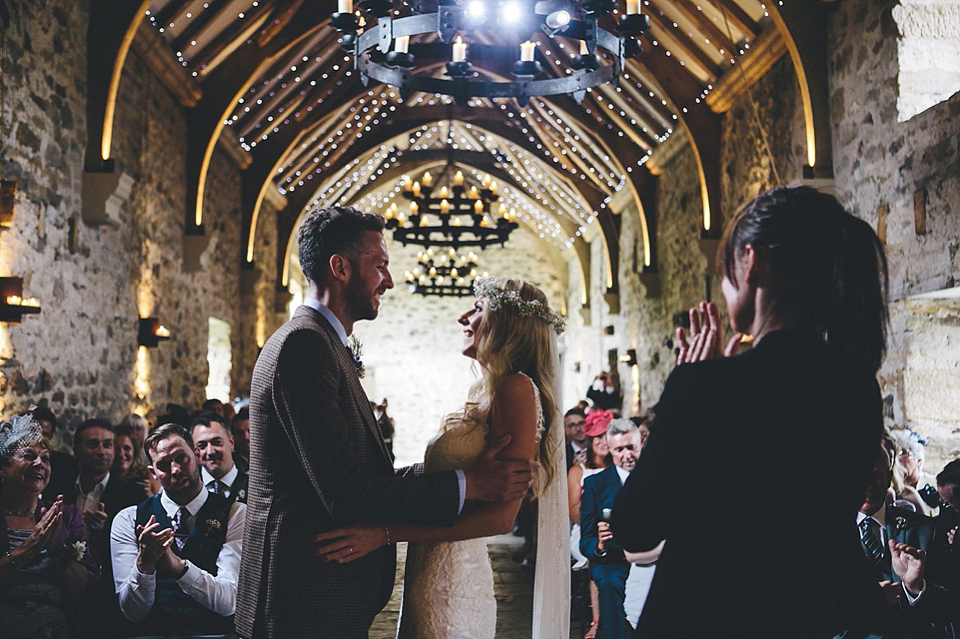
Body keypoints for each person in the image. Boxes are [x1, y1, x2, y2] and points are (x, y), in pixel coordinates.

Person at [235, 207, 538, 639]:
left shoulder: (324, 344)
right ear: (339, 267)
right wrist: (469, 484)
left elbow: (361, 473)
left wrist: (458, 477)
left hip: (320, 595)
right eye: (380, 266)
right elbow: (346, 491)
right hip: (303, 601)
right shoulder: (305, 345)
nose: (389, 281)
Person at [612, 186, 890, 638]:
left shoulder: (705, 387)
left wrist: (685, 391)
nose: (724, 288)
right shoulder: (856, 389)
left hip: (701, 621)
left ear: (751, 261)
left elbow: (634, 525)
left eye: (724, 273)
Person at [315, 276, 569, 639]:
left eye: (478, 308)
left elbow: (499, 519)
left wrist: (385, 534)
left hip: (453, 580)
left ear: (509, 325)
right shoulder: (490, 390)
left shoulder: (516, 388)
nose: (463, 317)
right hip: (430, 567)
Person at [111, 423, 244, 636]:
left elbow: (229, 602)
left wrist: (178, 567)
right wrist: (144, 565)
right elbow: (132, 612)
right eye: (163, 465)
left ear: (197, 455)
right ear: (152, 472)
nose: (175, 470)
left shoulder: (234, 513)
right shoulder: (128, 519)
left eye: (181, 458)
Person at [0, 414, 96, 639]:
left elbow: (85, 592)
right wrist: (27, 549)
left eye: (46, 458)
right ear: (3, 468)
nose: (39, 464)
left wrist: (57, 551)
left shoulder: (67, 515)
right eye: (28, 456)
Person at [580, 419, 642, 639]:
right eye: (619, 449)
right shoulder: (596, 485)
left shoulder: (658, 479)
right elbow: (585, 539)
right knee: (607, 581)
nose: (627, 455)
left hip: (654, 556)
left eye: (631, 447)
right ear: (611, 450)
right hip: (613, 558)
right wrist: (599, 545)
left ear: (640, 444)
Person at [568, 412, 611, 638]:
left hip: (616, 530)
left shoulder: (621, 467)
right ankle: (598, 621)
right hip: (586, 530)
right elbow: (574, 512)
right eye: (598, 438)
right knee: (599, 556)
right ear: (592, 441)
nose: (603, 442)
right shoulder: (578, 471)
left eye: (607, 436)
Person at [190, 412, 248, 504]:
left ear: (231, 442)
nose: (210, 452)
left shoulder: (254, 487)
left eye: (216, 443)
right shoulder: (188, 490)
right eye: (202, 446)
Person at [112, 424, 157, 497]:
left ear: (134, 451)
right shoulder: (104, 478)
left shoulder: (147, 475)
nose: (121, 454)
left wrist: (149, 494)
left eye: (127, 448)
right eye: (116, 449)